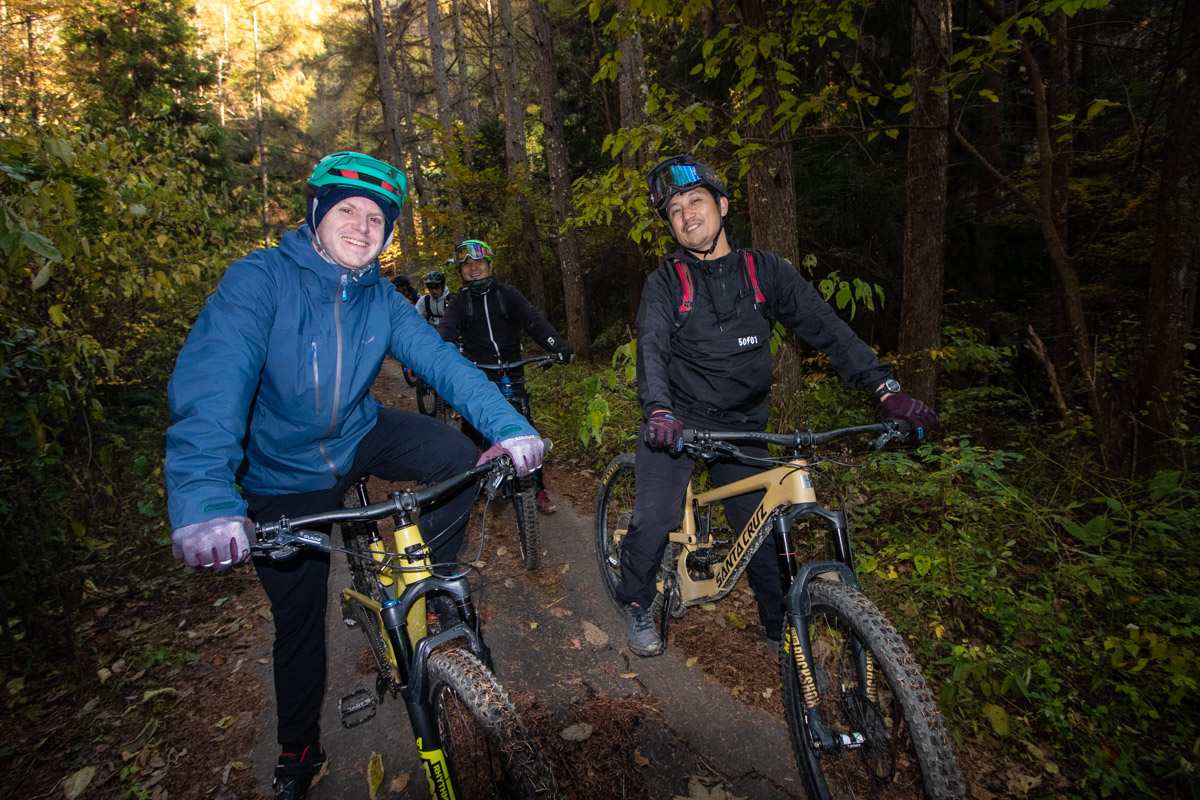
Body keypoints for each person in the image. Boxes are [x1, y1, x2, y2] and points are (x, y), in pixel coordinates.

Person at [164, 152, 545, 800]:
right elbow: (215, 380)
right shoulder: (261, 280)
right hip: (282, 472)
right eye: (348, 211)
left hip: (358, 435)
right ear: (316, 214)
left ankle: (431, 578)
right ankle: (298, 753)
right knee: (299, 621)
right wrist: (203, 496)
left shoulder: (381, 298)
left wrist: (508, 427)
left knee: (455, 459)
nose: (364, 227)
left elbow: (443, 362)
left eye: (377, 218)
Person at [619, 154, 940, 659]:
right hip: (677, 420)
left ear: (722, 206)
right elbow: (653, 350)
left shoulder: (765, 271)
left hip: (744, 424)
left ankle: (778, 630)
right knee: (653, 517)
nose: (687, 215)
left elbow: (827, 329)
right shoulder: (666, 283)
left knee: (761, 531)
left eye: (696, 201)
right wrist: (659, 410)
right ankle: (637, 600)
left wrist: (886, 390)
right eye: (676, 210)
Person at [437, 238, 574, 515]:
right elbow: (446, 331)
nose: (474, 269)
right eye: (467, 265)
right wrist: (437, 354)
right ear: (460, 272)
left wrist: (557, 346)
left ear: (489, 265)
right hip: (479, 373)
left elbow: (533, 320)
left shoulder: (506, 294)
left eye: (479, 263)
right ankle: (475, 478)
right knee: (473, 430)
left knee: (526, 428)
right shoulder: (459, 301)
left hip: (512, 369)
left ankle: (538, 488)